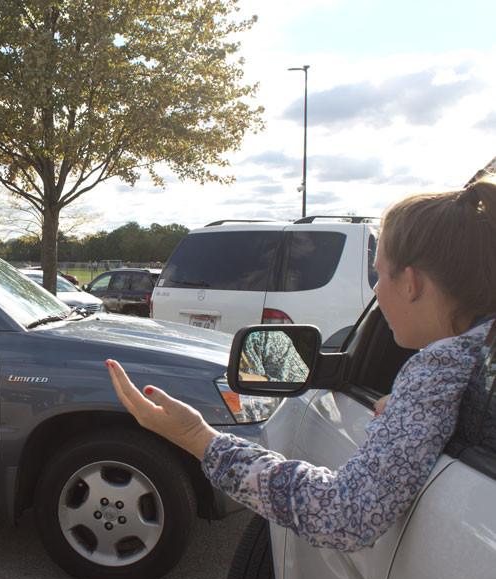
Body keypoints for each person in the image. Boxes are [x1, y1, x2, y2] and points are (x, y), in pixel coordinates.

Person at [106, 177, 496, 552]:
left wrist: (197, 437)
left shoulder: (440, 368)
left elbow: (346, 514)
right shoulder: (476, 361)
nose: (376, 289)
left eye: (379, 273)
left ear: (411, 283)